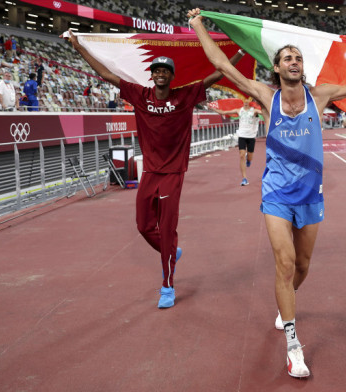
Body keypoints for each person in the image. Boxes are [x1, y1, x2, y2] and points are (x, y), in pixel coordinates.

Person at [188, 8, 346, 378]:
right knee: (285, 264)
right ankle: (293, 345)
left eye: (298, 58)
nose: (295, 61)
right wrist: (198, 26)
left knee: (302, 267)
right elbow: (223, 65)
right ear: (276, 68)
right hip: (276, 192)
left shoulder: (319, 96)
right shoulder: (265, 95)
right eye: (287, 58)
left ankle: (285, 302)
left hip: (310, 194)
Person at [68, 29, 245, 309]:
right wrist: (79, 47)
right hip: (150, 172)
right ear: (152, 74)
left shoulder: (185, 96)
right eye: (156, 70)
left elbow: (216, 75)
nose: (161, 73)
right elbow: (106, 75)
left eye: (165, 70)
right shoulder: (140, 94)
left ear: (172, 76)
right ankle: (172, 252)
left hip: (173, 174)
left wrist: (240, 53)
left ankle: (167, 285)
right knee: (143, 226)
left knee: (166, 229)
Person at [211, 97, 262, 186]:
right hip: (241, 136)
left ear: (250, 102)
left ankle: (249, 159)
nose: (245, 102)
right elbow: (223, 112)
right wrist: (211, 108)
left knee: (250, 157)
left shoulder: (254, 111)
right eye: (244, 101)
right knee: (241, 155)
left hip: (251, 137)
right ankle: (244, 178)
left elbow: (263, 113)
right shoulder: (239, 110)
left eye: (247, 101)